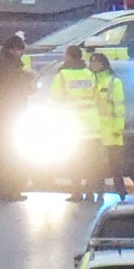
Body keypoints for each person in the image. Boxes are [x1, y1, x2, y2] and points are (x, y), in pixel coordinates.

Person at [0, 33, 35, 201]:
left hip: (7, 114)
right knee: (10, 154)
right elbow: (12, 88)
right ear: (13, 50)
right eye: (19, 50)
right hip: (8, 115)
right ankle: (10, 189)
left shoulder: (3, 65)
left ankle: (7, 189)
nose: (21, 54)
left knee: (6, 154)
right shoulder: (5, 67)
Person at [48, 46, 102, 202]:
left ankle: (76, 192)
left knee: (74, 162)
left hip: (73, 127)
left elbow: (54, 100)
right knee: (91, 162)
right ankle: (91, 191)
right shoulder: (90, 74)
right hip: (92, 126)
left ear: (68, 56)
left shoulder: (63, 75)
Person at [88, 53, 126, 199]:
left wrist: (118, 128)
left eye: (95, 63)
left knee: (115, 166)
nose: (92, 66)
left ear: (103, 64)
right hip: (95, 131)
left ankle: (121, 191)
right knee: (96, 164)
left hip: (111, 132)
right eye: (91, 63)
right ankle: (98, 190)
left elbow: (119, 107)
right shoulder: (91, 81)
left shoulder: (113, 82)